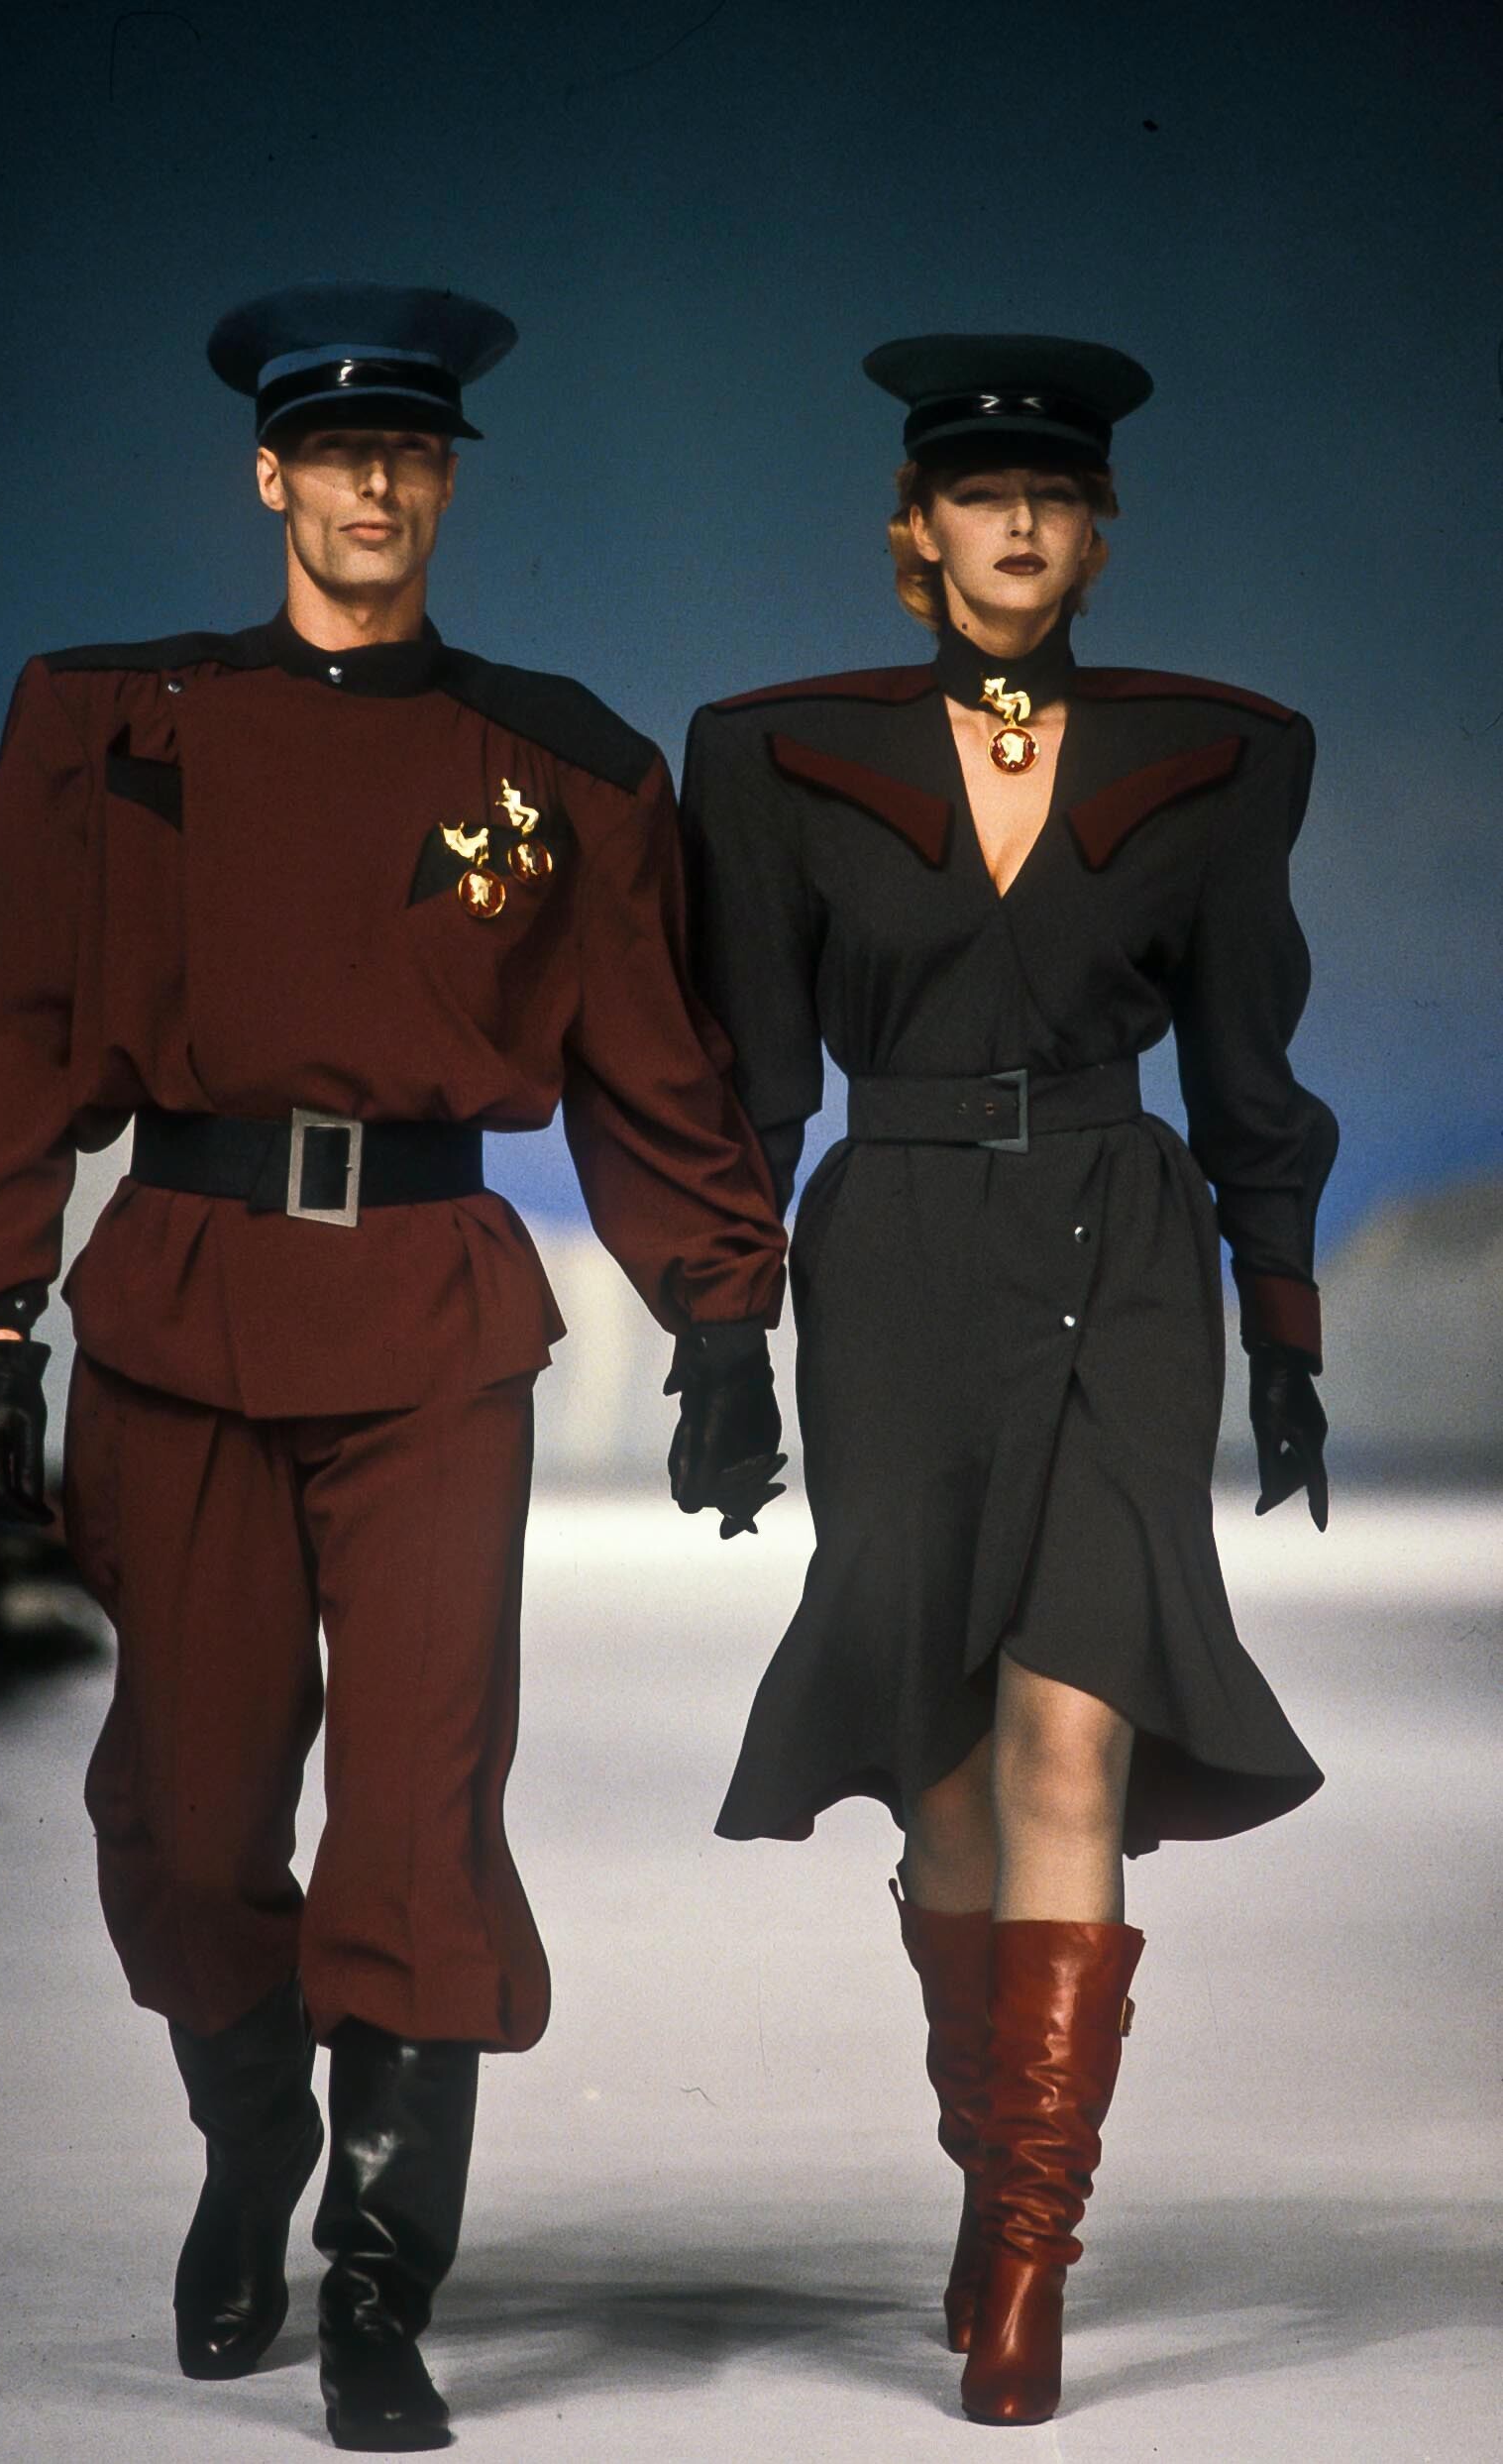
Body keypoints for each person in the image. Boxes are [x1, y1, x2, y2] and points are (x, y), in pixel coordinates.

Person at [0, 282, 785, 2454]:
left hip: (427, 1309)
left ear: (444, 485)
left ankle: (383, 2282)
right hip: (182, 1302)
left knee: (416, 1804)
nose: (380, 483)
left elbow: (646, 1061)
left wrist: (722, 1314)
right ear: (269, 475)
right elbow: (4, 1012)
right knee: (187, 1827)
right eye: (342, 451)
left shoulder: (562, 762)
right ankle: (254, 2139)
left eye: (416, 453)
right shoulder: (115, 721)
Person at [680, 333, 1335, 2427]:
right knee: (947, 1764)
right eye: (981, 492)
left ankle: (1033, 2246)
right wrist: (719, 1331)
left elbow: (1244, 1059)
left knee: (1069, 1736)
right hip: (889, 1262)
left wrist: (1285, 1317)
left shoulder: (1218, 754)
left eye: (1054, 492)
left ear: (1096, 530)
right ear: (919, 528)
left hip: (1123, 1249)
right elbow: (751, 1076)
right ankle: (989, 2179)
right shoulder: (772, 755)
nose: (1022, 520)